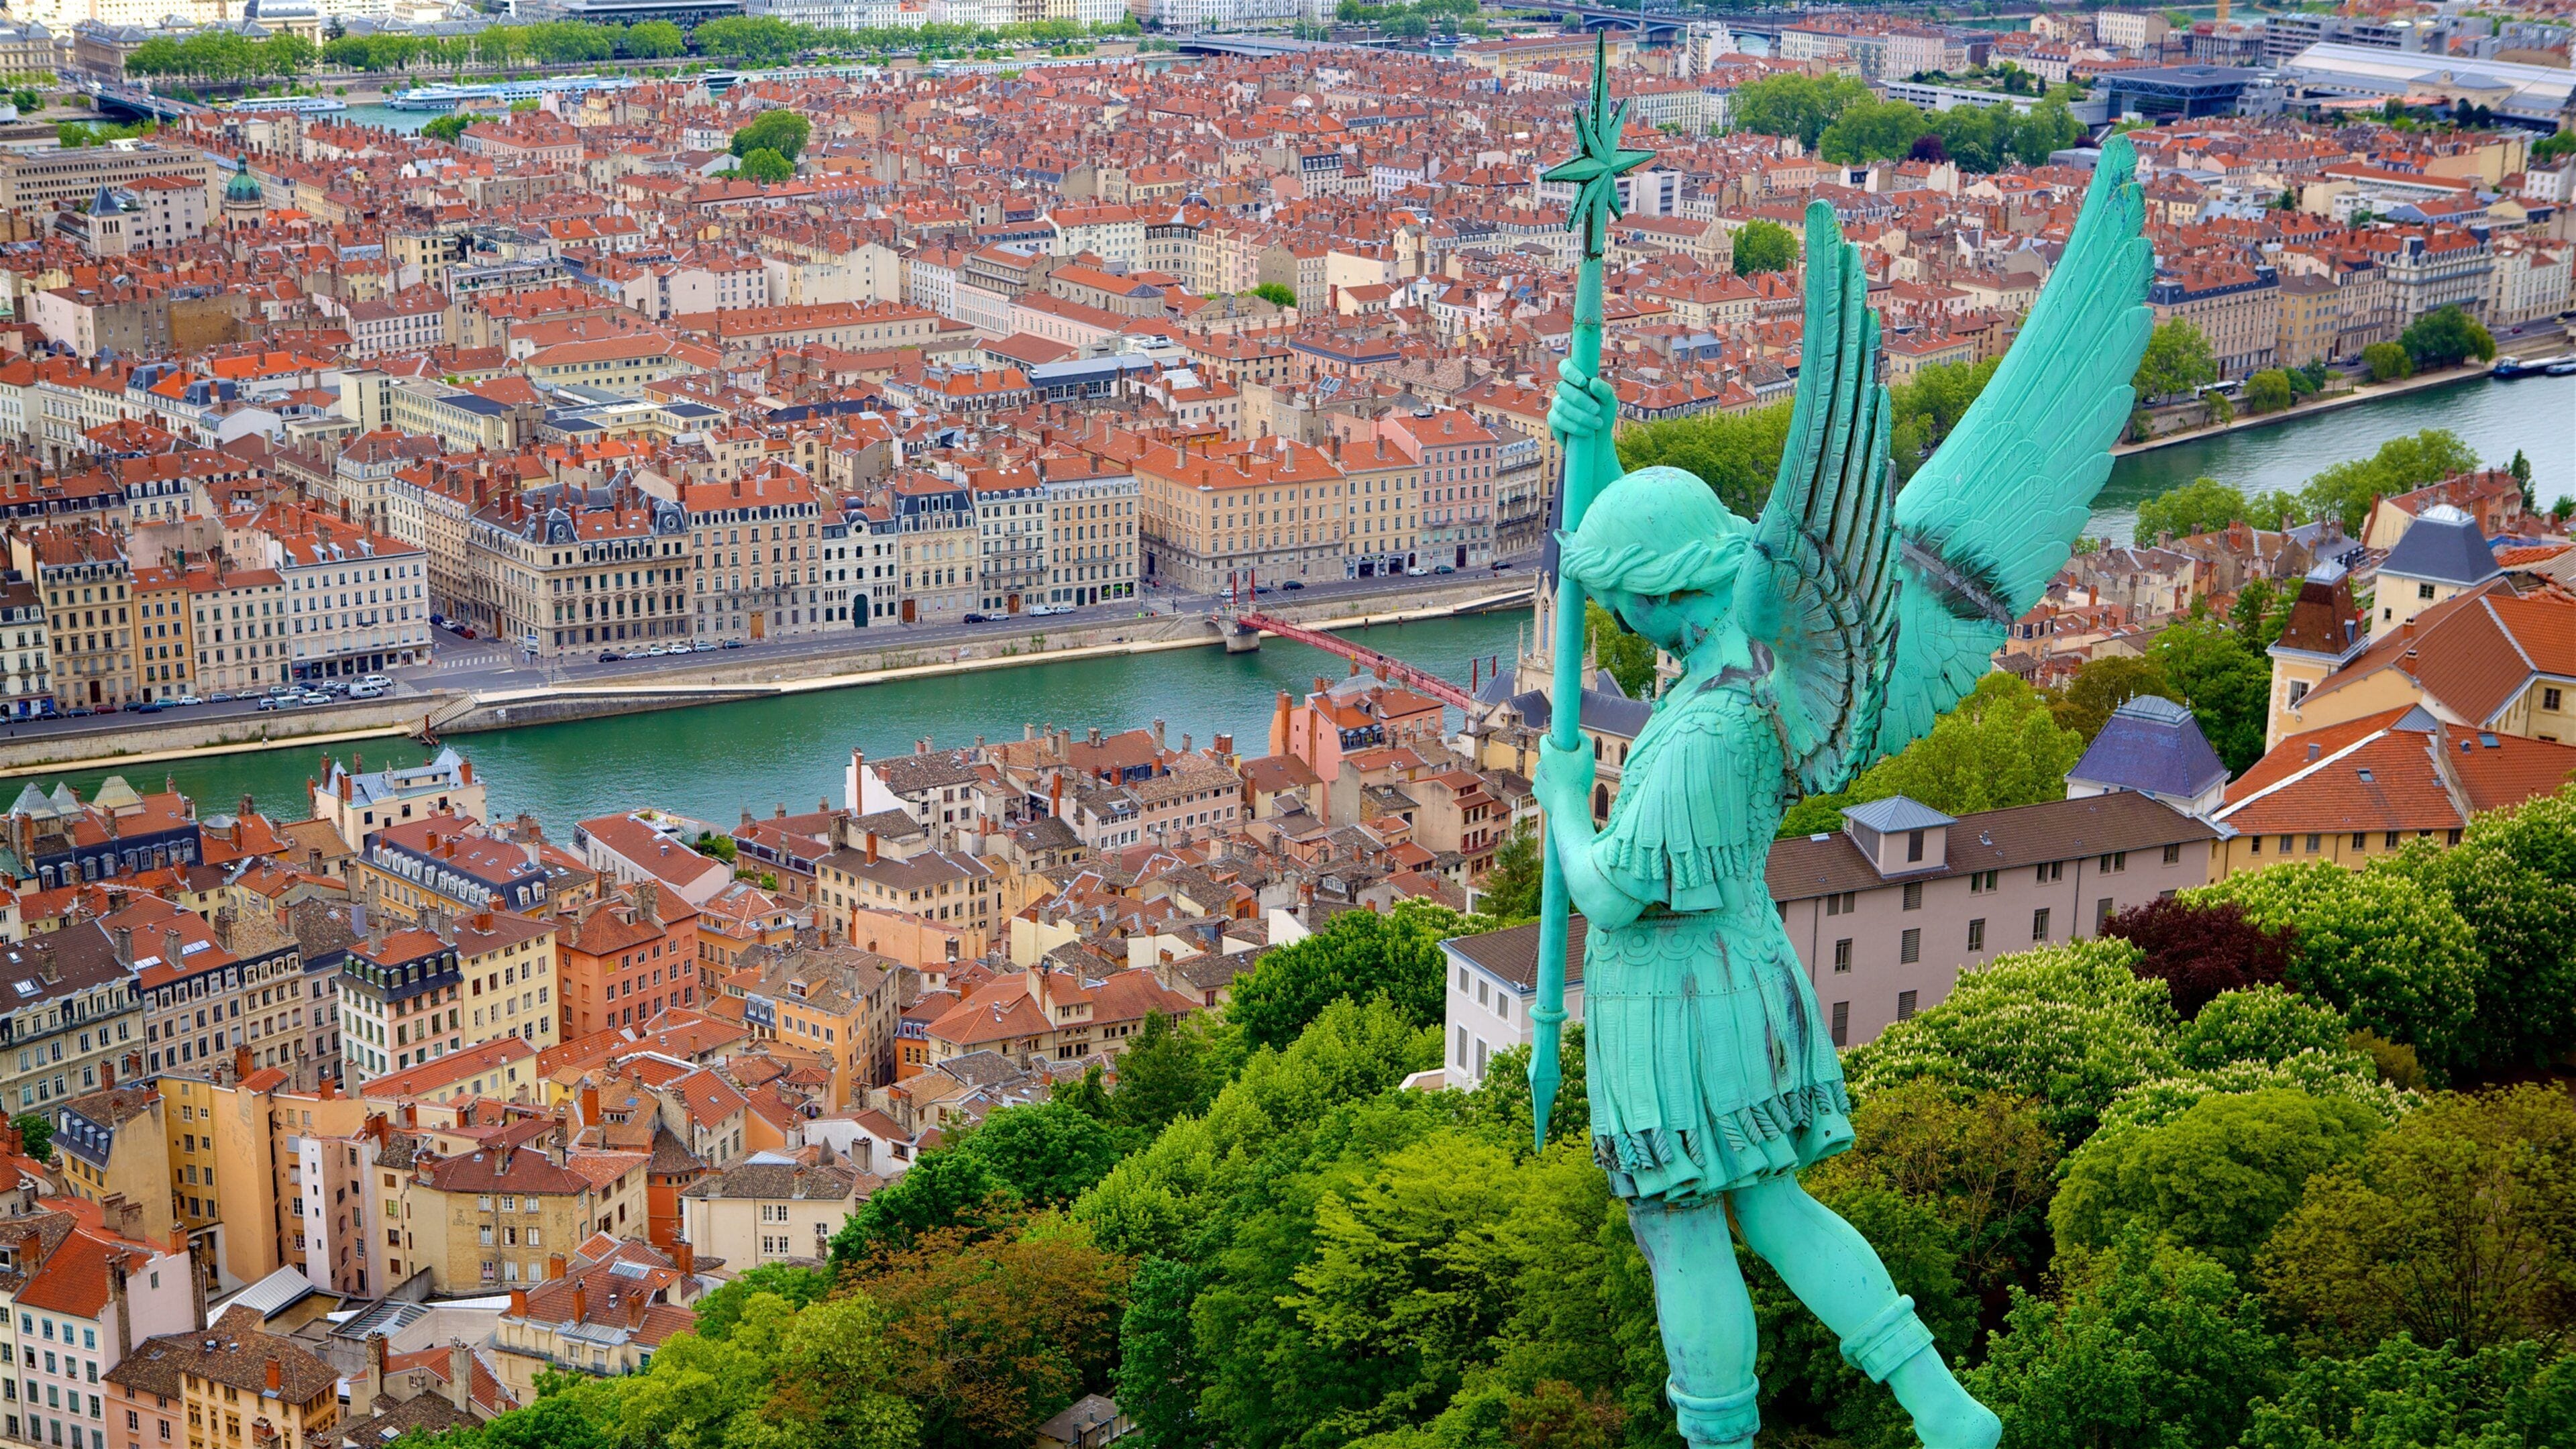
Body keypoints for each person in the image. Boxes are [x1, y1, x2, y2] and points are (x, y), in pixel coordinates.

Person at [1531, 371, 2000, 1449]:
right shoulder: (1744, 658)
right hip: (1739, 971)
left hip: (1677, 994)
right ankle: (1941, 1404)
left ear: (1653, 596)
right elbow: (1638, 562)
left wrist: (1564, 805)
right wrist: (1595, 452)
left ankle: (1720, 1439)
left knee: (1683, 1224)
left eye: (1619, 597)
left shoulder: (1708, 734)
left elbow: (1607, 890)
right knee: (1774, 1203)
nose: (1606, 615)